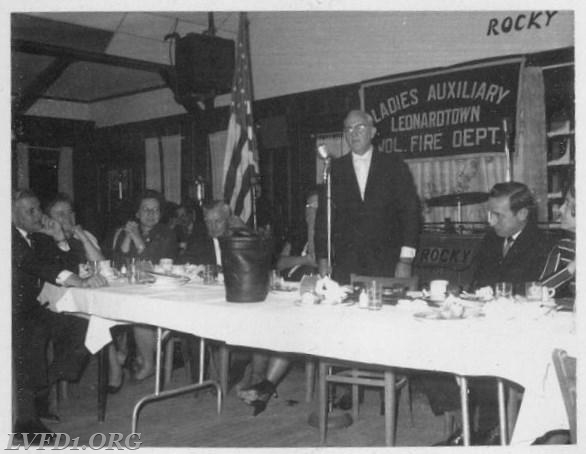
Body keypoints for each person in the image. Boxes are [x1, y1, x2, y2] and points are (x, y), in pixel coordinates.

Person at [430, 181, 552, 446]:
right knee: (432, 346)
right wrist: (460, 292)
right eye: (489, 213)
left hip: (516, 332)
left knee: (481, 354)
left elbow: (532, 294)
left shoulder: (542, 245)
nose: (490, 221)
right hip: (484, 322)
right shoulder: (490, 239)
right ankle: (464, 426)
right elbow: (476, 284)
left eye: (497, 215)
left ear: (522, 214)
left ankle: (492, 431)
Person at [12, 189, 107, 442]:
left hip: (30, 308)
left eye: (38, 209)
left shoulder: (35, 237)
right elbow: (35, 265)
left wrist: (58, 238)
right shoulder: (10, 236)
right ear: (11, 214)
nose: (37, 215)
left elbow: (63, 263)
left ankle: (40, 390)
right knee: (32, 334)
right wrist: (76, 280)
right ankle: (25, 421)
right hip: (11, 311)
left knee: (80, 327)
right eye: (29, 211)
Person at [237, 189, 321, 416]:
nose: (312, 212)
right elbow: (279, 262)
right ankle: (258, 380)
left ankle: (264, 386)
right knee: (264, 322)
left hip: (311, 301)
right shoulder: (297, 234)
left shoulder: (332, 235)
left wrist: (315, 238)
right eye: (309, 207)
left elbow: (324, 270)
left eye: (317, 207)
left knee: (285, 328)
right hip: (283, 293)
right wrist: (304, 259)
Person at [315, 110, 421, 284]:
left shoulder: (394, 166)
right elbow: (323, 219)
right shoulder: (334, 169)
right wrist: (323, 258)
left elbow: (410, 214)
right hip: (345, 265)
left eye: (360, 127)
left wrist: (405, 260)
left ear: (372, 132)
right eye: (348, 129)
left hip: (388, 264)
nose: (354, 133)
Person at [110, 189, 178, 381]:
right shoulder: (129, 231)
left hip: (159, 292)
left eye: (155, 210)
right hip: (131, 289)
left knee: (140, 310)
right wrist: (128, 236)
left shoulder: (167, 234)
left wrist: (138, 240)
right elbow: (118, 263)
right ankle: (124, 354)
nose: (150, 214)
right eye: (145, 210)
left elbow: (153, 265)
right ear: (137, 214)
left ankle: (148, 362)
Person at [539, 180, 575, 296]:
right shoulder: (563, 248)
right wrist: (571, 268)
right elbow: (538, 292)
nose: (560, 209)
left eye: (568, 203)